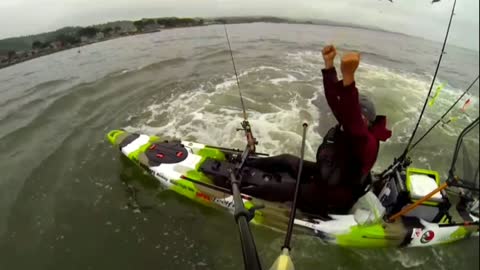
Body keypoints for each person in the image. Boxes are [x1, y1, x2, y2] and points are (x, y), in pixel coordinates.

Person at [246, 45, 392, 215]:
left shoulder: (365, 141)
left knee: (272, 189)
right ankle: (246, 164)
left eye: (353, 112)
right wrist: (329, 65)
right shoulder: (348, 122)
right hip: (327, 174)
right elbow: (335, 99)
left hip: (334, 195)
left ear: (365, 119)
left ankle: (235, 191)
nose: (344, 111)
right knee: (286, 160)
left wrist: (349, 76)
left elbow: (351, 112)